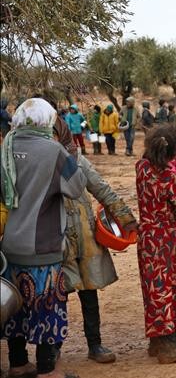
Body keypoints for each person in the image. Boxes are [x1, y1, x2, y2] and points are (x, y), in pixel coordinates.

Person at [1, 98, 87, 378]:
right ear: (46, 121)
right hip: (43, 247)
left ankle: (17, 364)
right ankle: (48, 371)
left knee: (15, 309)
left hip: (10, 245)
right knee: (46, 309)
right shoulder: (53, 151)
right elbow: (76, 188)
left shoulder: (7, 146)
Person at [54, 121, 138, 364]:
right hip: (55, 239)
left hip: (85, 237)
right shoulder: (41, 161)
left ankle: (95, 344)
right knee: (56, 295)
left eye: (54, 132)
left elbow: (101, 189)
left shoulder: (77, 158)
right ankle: (52, 349)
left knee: (89, 293)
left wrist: (127, 220)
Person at [135, 124, 176, 364]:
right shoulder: (169, 177)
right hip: (165, 238)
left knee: (155, 289)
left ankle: (162, 339)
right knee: (168, 288)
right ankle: (167, 345)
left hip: (148, 237)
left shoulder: (141, 168)